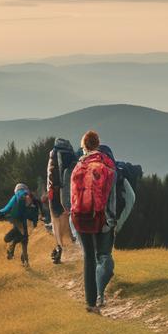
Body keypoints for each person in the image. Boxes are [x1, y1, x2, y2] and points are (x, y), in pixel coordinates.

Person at [69, 130, 120, 314]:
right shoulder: (108, 166)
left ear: (84, 146)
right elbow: (111, 198)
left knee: (88, 257)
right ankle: (99, 296)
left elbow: (73, 197)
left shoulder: (78, 166)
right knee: (101, 256)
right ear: (98, 144)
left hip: (79, 217)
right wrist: (111, 220)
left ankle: (90, 303)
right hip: (99, 217)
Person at [93, 144, 135, 307]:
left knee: (94, 258)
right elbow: (131, 198)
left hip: (86, 222)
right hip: (108, 224)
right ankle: (99, 294)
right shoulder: (118, 173)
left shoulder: (84, 169)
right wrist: (119, 223)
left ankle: (96, 293)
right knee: (104, 258)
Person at [45, 138, 79, 264]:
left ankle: (59, 247)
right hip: (70, 191)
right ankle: (74, 241)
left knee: (56, 220)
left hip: (54, 192)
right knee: (68, 215)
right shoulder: (72, 156)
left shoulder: (54, 155)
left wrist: (51, 190)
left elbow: (51, 176)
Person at [0, 183, 39, 266]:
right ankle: (25, 260)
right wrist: (35, 221)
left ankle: (11, 247)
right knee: (24, 240)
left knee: (11, 238)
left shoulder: (17, 196)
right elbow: (36, 209)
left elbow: (8, 207)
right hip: (27, 221)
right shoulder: (30, 196)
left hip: (18, 220)